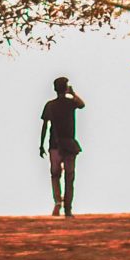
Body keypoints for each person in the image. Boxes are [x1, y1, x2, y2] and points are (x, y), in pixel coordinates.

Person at [39, 77, 84, 216]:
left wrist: (41, 145)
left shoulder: (50, 105)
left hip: (54, 145)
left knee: (55, 175)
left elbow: (45, 126)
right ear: (65, 88)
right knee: (69, 177)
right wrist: (73, 93)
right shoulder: (71, 103)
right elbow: (82, 104)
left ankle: (58, 201)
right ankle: (68, 208)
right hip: (69, 144)